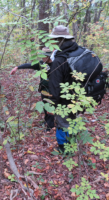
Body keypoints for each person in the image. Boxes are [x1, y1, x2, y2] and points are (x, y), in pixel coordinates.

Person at [47, 25, 78, 153]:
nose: (52, 42)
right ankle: (73, 143)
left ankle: (64, 149)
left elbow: (54, 88)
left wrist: (51, 105)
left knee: (62, 123)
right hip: (78, 97)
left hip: (64, 100)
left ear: (59, 40)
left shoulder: (59, 60)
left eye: (54, 39)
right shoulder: (77, 52)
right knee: (73, 120)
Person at [10, 47, 55, 131]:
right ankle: (46, 121)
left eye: (44, 56)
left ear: (48, 56)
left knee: (50, 108)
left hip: (53, 91)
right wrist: (17, 67)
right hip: (44, 90)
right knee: (45, 106)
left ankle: (50, 126)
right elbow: (29, 65)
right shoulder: (41, 64)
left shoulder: (56, 64)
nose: (42, 58)